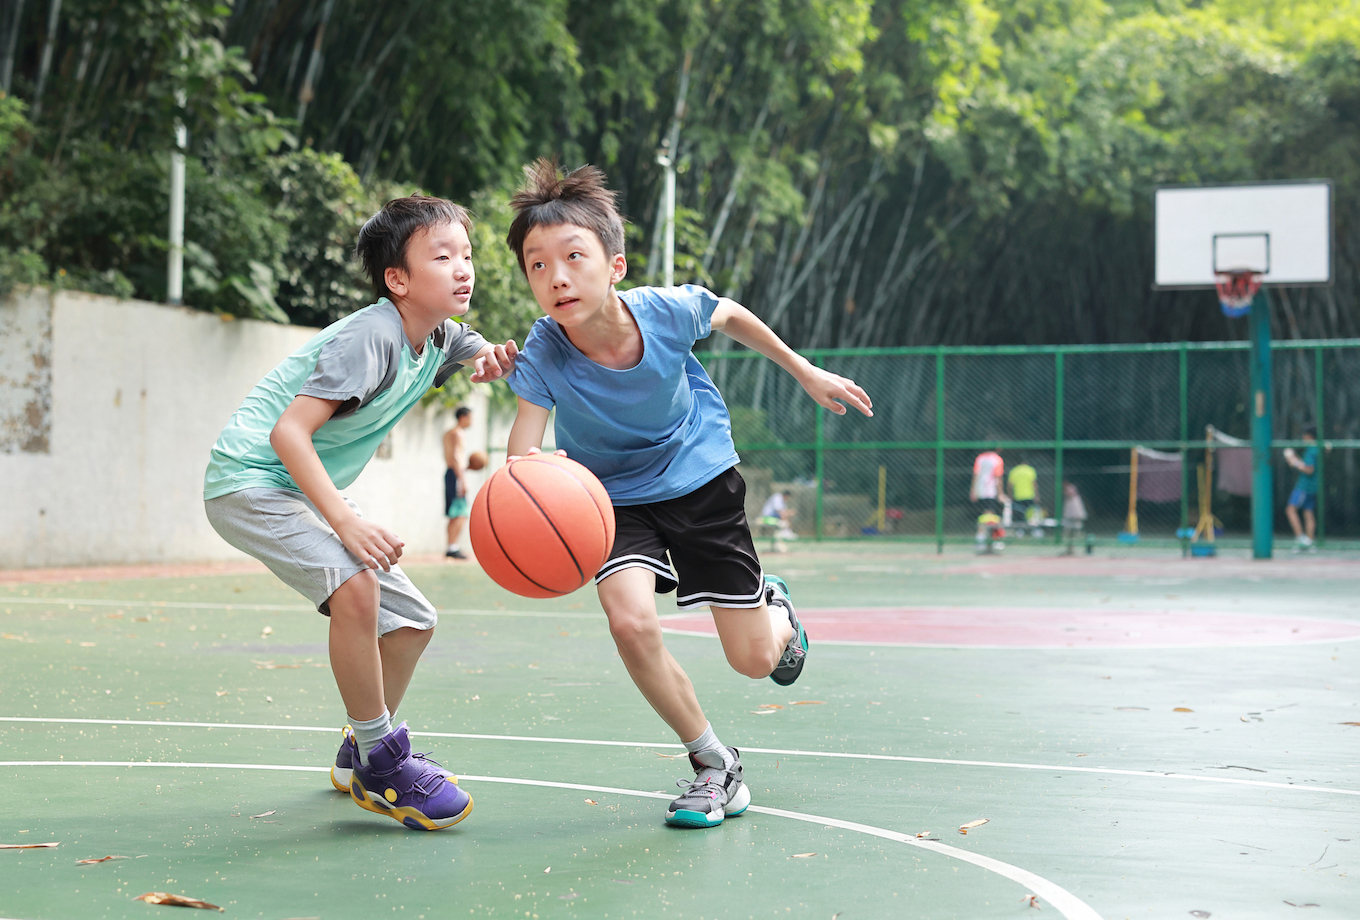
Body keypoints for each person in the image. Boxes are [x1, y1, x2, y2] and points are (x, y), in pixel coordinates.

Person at [502, 159, 873, 829]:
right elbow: (521, 453)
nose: (555, 277)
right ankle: (714, 765)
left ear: (614, 265)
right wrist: (531, 490)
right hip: (610, 499)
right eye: (536, 265)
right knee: (628, 619)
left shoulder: (663, 311)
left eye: (573, 256)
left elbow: (728, 313)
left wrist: (805, 371)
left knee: (756, 659)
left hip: (697, 478)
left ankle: (777, 610)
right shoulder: (545, 349)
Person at [202, 196, 518, 831]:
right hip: (251, 481)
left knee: (413, 622)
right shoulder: (371, 336)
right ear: (397, 280)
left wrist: (487, 358)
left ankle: (358, 751)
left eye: (467, 255)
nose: (463, 269)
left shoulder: (438, 335)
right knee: (356, 585)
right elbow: (289, 435)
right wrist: (346, 521)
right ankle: (381, 760)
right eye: (443, 256)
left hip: (293, 486)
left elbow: (470, 345)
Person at [443, 406, 474, 559]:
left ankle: (451, 546)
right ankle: (452, 547)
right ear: (463, 417)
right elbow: (455, 457)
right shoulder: (457, 434)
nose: (471, 421)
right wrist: (462, 480)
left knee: (454, 512)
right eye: (470, 418)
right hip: (456, 475)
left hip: (451, 473)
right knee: (461, 513)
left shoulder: (448, 433)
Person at [1284, 427, 1319, 552]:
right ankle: (1309, 542)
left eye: (1304, 435)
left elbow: (1309, 469)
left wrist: (1293, 460)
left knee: (1290, 510)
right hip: (1314, 486)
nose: (1303, 438)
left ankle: (1301, 539)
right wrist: (1295, 460)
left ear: (1309, 436)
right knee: (1308, 513)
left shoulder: (1312, 450)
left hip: (1304, 486)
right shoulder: (1318, 448)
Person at [970, 447, 1005, 547]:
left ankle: (981, 539)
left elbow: (976, 475)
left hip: (980, 491)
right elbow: (998, 477)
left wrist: (973, 490)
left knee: (984, 517)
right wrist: (1000, 493)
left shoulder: (980, 458)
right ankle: (993, 541)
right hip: (991, 491)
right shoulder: (997, 459)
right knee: (991, 516)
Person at [1007, 455, 1039, 531]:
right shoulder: (1030, 470)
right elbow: (1034, 484)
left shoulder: (1014, 471)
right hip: (1029, 496)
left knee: (1019, 515)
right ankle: (1034, 530)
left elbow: (1010, 486)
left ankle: (1020, 530)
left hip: (1018, 496)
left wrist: (1010, 496)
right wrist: (1037, 495)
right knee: (1031, 514)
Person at [1061, 480, 1088, 555]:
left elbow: (1070, 494)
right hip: (1070, 517)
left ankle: (1084, 547)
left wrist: (1066, 491)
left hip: (1075, 516)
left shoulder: (1074, 498)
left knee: (1077, 532)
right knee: (1068, 533)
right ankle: (1070, 549)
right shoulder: (1069, 500)